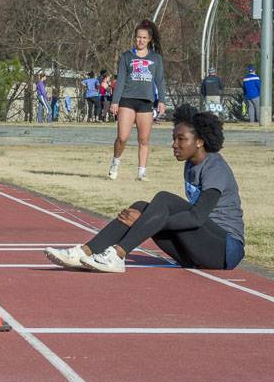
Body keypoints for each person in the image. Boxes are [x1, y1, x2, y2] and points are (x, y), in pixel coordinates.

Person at [45, 105, 244, 272]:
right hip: (198, 250)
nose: (174, 144)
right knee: (142, 207)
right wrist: (147, 220)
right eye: (173, 138)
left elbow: (197, 217)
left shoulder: (214, 168)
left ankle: (118, 255)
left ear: (200, 141)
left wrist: (146, 223)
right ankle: (85, 252)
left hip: (225, 250)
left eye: (181, 139)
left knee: (163, 200)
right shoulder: (191, 164)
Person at [108, 19, 167, 181]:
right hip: (127, 100)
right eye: (138, 37)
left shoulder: (156, 58)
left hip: (146, 102)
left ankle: (141, 172)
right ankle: (115, 163)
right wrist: (115, 101)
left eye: (144, 38)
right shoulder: (127, 56)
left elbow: (160, 80)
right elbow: (120, 80)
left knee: (144, 139)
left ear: (149, 40)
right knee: (123, 137)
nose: (140, 40)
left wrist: (162, 100)